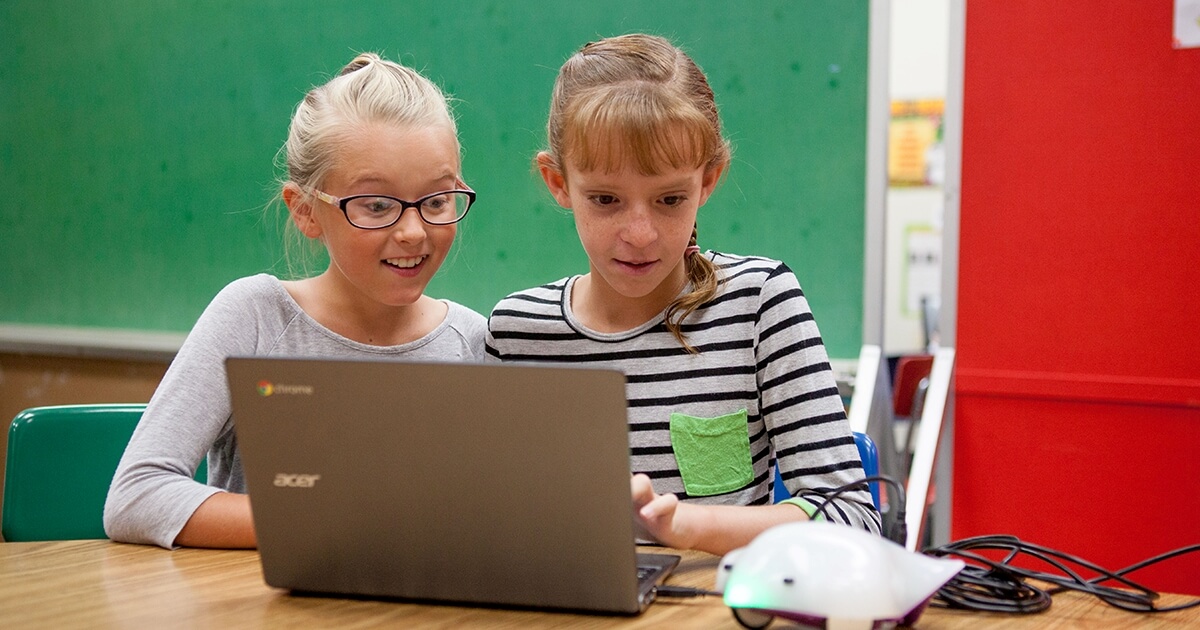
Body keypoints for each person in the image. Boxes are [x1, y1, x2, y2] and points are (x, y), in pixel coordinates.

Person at [486, 34, 880, 556]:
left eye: (670, 199)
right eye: (605, 199)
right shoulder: (517, 333)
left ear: (708, 180)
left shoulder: (759, 304)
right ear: (557, 182)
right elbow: (491, 526)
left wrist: (686, 528)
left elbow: (850, 516)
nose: (640, 232)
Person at [105, 53, 486, 549]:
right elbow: (137, 497)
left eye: (436, 201)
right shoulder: (255, 316)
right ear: (307, 212)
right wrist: (343, 518)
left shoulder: (473, 341)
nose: (413, 232)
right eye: (376, 206)